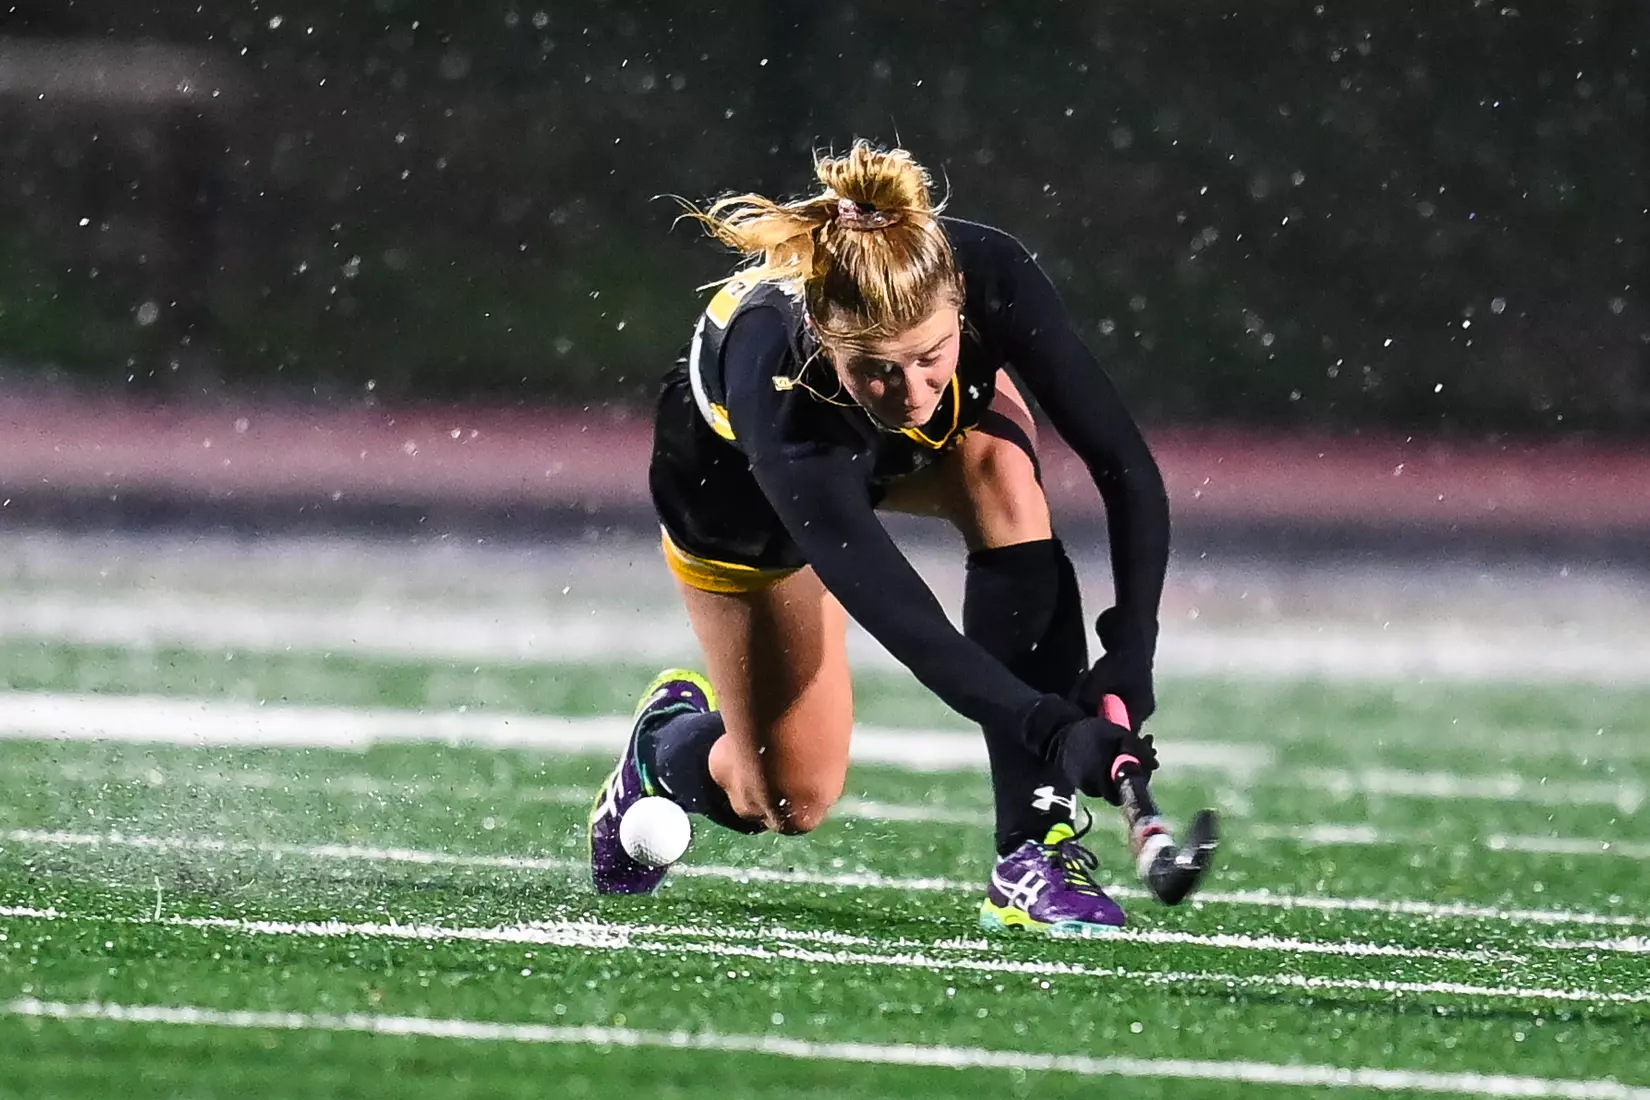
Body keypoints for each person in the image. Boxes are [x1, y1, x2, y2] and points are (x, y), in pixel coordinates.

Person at [589, 139, 1169, 935]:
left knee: (1003, 472)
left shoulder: (987, 271)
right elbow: (904, 618)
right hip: (736, 497)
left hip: (883, 451)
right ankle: (663, 746)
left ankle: (1033, 853)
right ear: (825, 340)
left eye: (932, 356)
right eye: (879, 369)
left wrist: (1133, 646)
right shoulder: (780, 395)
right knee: (787, 799)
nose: (914, 393)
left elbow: (1125, 468)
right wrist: (1054, 727)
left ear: (959, 306)